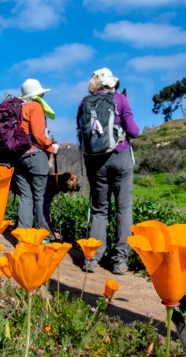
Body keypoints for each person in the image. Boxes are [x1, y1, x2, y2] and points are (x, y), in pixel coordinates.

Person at [78, 68, 139, 275]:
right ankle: (120, 260)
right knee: (123, 208)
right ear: (111, 84)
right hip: (120, 156)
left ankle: (92, 257)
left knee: (99, 209)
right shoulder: (120, 99)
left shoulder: (84, 102)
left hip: (95, 161)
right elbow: (134, 131)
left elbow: (82, 134)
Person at [13, 78, 59, 241]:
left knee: (26, 197)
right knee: (40, 195)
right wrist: (52, 147)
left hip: (18, 158)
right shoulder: (35, 106)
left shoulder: (17, 108)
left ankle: (22, 236)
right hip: (35, 155)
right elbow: (39, 135)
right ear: (38, 94)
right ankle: (43, 236)